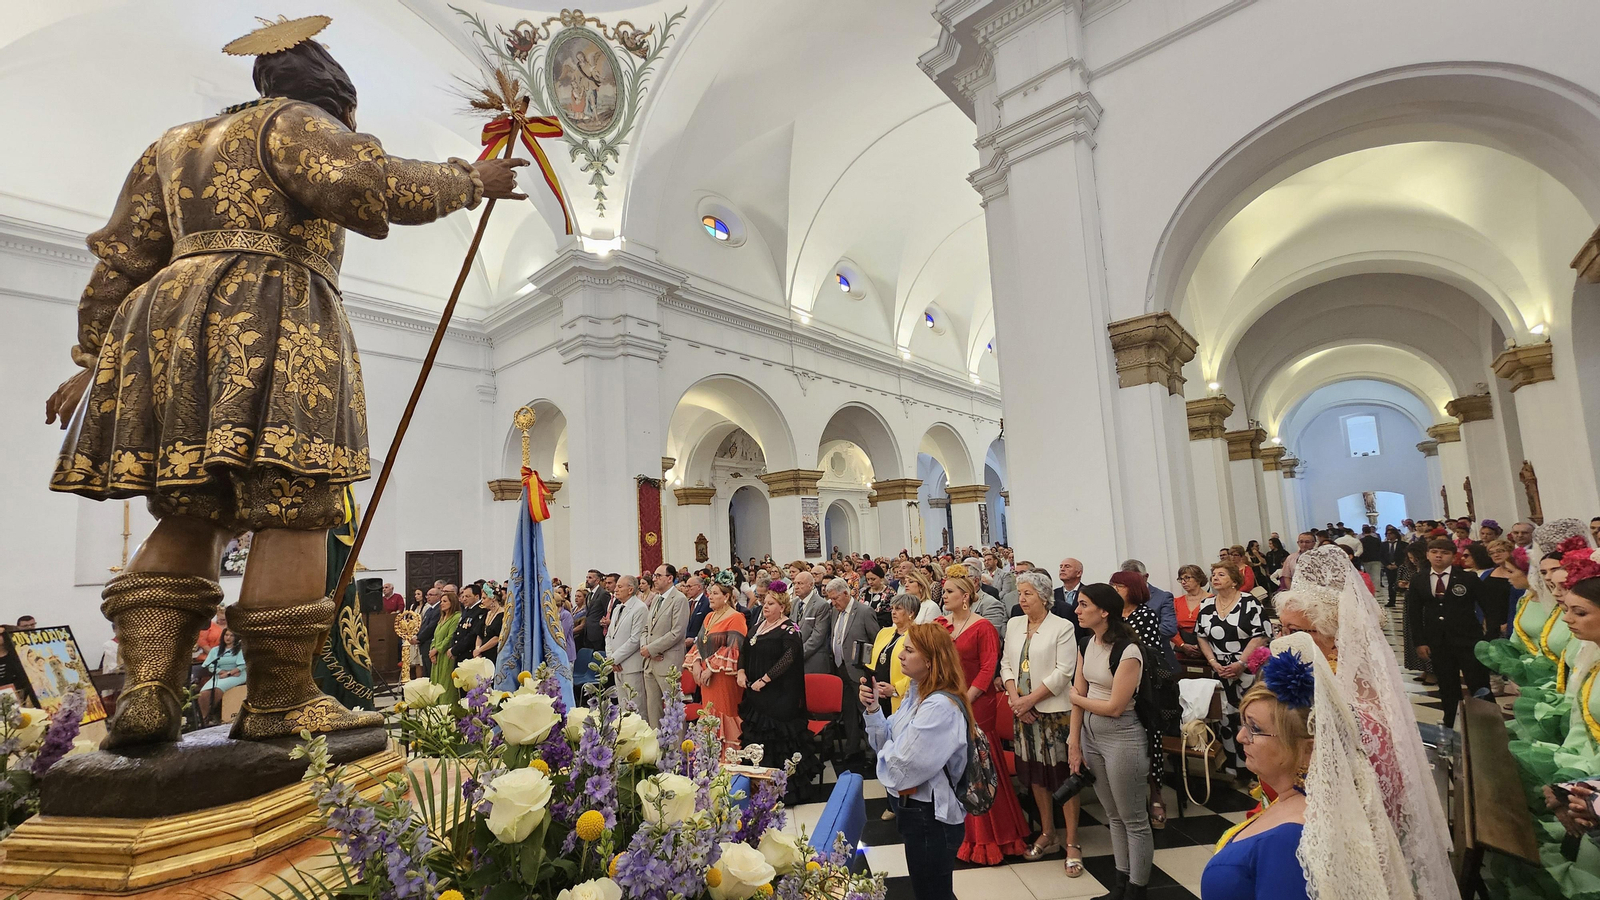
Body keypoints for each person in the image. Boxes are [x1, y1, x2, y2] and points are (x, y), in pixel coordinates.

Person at [43, 19, 527, 747]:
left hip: (169, 326)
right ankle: (280, 699)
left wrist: (93, 361)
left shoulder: (173, 145)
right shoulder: (295, 122)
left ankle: (148, 689)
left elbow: (121, 260)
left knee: (189, 508)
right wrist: (468, 181)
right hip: (272, 311)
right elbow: (362, 181)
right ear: (338, 100)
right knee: (295, 500)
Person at [1278, 546, 1460, 899]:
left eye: (1297, 630)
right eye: (1282, 628)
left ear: (1335, 637)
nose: (1285, 640)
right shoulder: (1309, 677)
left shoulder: (1359, 707)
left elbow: (1374, 800)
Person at [858, 623, 972, 900]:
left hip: (930, 816)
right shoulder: (917, 692)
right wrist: (873, 709)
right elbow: (886, 741)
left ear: (931, 661)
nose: (900, 655)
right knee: (929, 889)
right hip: (914, 809)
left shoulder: (939, 707)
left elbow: (900, 770)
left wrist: (890, 753)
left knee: (933, 892)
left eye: (909, 650)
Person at [1069, 583, 1153, 900]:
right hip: (1092, 737)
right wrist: (1074, 742)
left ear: (1104, 611)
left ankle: (1137, 889)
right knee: (1113, 815)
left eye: (1084, 605)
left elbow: (1116, 707)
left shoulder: (1128, 651)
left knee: (1134, 818)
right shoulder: (1086, 643)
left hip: (1122, 737)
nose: (1077, 610)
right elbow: (1079, 694)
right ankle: (1120, 886)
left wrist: (1077, 698)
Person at [941, 572, 1029, 864]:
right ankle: (961, 830)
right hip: (949, 701)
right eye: (944, 591)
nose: (944, 596)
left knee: (980, 765)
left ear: (965, 596)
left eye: (950, 591)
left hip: (977, 704)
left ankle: (992, 834)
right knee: (955, 765)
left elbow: (988, 668)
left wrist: (965, 700)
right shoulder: (943, 625)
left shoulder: (983, 627)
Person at [1001, 572, 1084, 875]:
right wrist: (1016, 700)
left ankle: (1072, 842)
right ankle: (1048, 832)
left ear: (1044, 597)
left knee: (1063, 776)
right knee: (1036, 775)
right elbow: (1006, 664)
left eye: (1029, 594)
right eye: (1020, 593)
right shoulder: (1014, 624)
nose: (1022, 599)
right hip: (1022, 712)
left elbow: (1064, 671)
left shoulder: (1061, 626)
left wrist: (1030, 701)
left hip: (1053, 713)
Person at [1407, 537, 1491, 729]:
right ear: (1428, 555)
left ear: (1453, 557)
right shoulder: (1419, 579)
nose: (1439, 556)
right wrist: (1420, 641)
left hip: (1468, 638)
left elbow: (1488, 606)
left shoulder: (1468, 578)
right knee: (1446, 683)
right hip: (1438, 640)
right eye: (1434, 552)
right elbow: (1414, 613)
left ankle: (1486, 722)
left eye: (1444, 553)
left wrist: (1489, 636)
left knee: (1478, 681)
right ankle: (1450, 720)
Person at [1196, 562, 1269, 779]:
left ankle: (1258, 771)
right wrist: (1212, 661)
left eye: (1221, 574)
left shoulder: (1249, 602)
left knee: (1250, 717)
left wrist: (1241, 663)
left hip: (1248, 670)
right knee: (1226, 718)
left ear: (1234, 580)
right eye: (1213, 574)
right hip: (1220, 669)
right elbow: (1201, 636)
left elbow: (1260, 635)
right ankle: (1233, 767)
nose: (1215, 578)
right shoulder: (1206, 604)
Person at [737, 586, 809, 777]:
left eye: (771, 603)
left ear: (782, 607)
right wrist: (741, 671)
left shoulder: (790, 629)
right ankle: (755, 778)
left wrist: (765, 679)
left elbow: (788, 658)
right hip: (756, 693)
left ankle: (780, 781)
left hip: (779, 695)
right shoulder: (758, 625)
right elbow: (744, 649)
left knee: (777, 738)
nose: (765, 606)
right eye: (765, 603)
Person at [685, 576, 747, 747]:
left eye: (715, 593)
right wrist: (696, 664)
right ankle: (709, 754)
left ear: (726, 596)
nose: (710, 597)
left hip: (723, 676)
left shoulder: (736, 617)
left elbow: (735, 648)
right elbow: (700, 643)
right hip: (705, 677)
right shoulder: (709, 617)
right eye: (710, 593)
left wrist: (711, 668)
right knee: (708, 712)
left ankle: (728, 754)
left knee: (723, 712)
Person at [641, 564, 689, 728]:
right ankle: (656, 742)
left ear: (670, 578)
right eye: (654, 576)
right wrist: (645, 648)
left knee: (673, 708)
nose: (654, 579)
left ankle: (678, 744)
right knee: (653, 709)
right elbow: (646, 628)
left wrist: (652, 649)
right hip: (650, 662)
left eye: (658, 576)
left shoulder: (679, 599)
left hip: (667, 661)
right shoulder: (656, 599)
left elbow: (677, 632)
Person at [869, 595, 920, 716]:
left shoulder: (918, 636)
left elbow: (919, 669)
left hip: (900, 697)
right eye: (892, 608)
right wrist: (871, 684)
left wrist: (896, 689)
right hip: (877, 695)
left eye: (898, 609)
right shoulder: (883, 632)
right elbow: (872, 662)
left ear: (911, 613)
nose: (893, 612)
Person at [606, 576, 648, 709]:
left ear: (630, 590)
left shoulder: (640, 608)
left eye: (619, 587)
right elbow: (609, 635)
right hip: (616, 666)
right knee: (623, 707)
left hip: (632, 667)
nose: (615, 590)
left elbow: (635, 639)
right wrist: (611, 659)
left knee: (636, 707)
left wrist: (614, 658)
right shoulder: (617, 608)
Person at [197, 628, 246, 722]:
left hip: (236, 675)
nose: (228, 638)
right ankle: (203, 718)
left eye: (231, 635)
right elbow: (209, 665)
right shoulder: (215, 650)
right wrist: (221, 672)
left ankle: (212, 713)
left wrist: (229, 673)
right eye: (226, 635)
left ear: (236, 637)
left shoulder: (240, 650)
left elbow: (242, 665)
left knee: (217, 689)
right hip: (219, 675)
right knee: (203, 694)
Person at [794, 571, 834, 675]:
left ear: (811, 585)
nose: (796, 587)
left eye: (800, 583)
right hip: (795, 662)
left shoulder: (821, 605)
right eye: (795, 583)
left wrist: (797, 654)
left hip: (814, 661)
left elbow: (817, 637)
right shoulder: (794, 603)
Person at [428, 589, 462, 703]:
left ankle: (447, 707)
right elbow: (435, 636)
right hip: (437, 656)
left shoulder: (456, 617)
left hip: (446, 655)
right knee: (435, 683)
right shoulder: (442, 618)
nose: (441, 603)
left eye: (445, 601)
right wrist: (432, 650)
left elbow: (450, 637)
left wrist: (437, 649)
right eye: (441, 601)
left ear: (452, 602)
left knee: (445, 683)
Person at [1173, 564, 1209, 659]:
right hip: (1182, 650)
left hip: (1209, 650)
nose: (1183, 582)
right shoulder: (1177, 601)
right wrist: (1182, 645)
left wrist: (1201, 647)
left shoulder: (1213, 600)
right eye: (1181, 579)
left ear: (1198, 579)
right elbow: (1171, 626)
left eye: (1187, 578)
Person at [474, 586, 504, 664]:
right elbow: (479, 635)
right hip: (482, 654)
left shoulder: (502, 615)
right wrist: (477, 649)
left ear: (493, 598)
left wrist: (480, 650)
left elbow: (497, 638)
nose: (482, 601)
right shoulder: (486, 614)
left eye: (484, 598)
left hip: (494, 654)